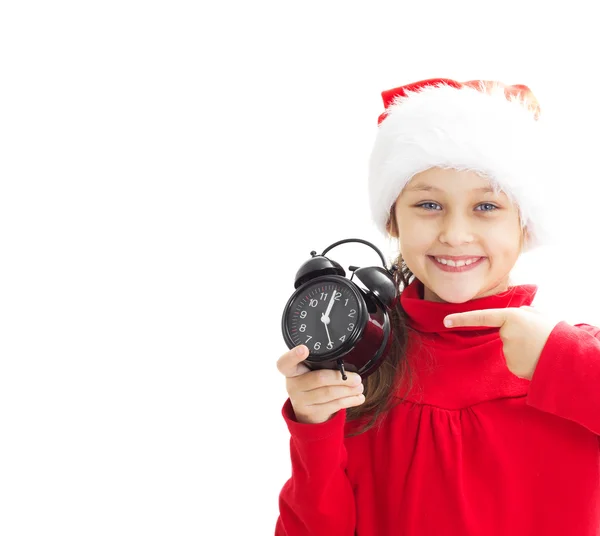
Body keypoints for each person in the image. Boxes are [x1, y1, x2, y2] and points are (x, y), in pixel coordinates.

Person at [274, 78, 600, 536]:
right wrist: (314, 426)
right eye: (429, 204)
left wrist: (564, 359)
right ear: (393, 218)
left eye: (486, 206)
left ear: (526, 225)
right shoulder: (361, 366)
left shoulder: (574, 356)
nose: (455, 234)